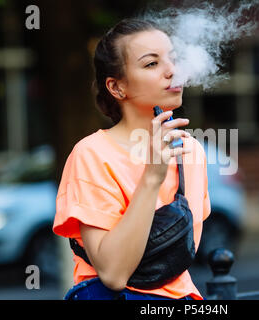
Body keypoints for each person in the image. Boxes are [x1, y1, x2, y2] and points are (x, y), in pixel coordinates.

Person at [52, 19, 211, 300]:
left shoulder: (191, 152)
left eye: (172, 59)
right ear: (117, 87)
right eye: (151, 64)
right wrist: (152, 177)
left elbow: (176, 259)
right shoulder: (92, 154)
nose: (172, 71)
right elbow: (113, 274)